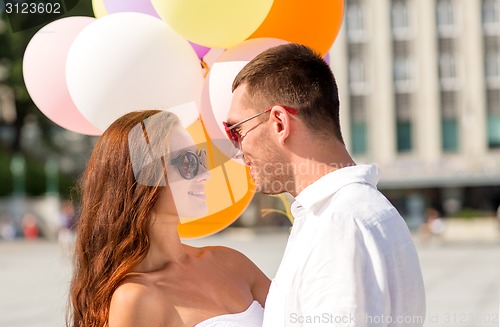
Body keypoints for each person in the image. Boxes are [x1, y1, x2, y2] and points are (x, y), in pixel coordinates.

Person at [226, 44, 426, 326]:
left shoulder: (340, 224)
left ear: (279, 123)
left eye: (236, 131)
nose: (237, 149)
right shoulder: (353, 211)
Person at [68, 110, 270, 327]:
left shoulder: (232, 262)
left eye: (200, 159)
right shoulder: (136, 298)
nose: (205, 174)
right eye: (188, 162)